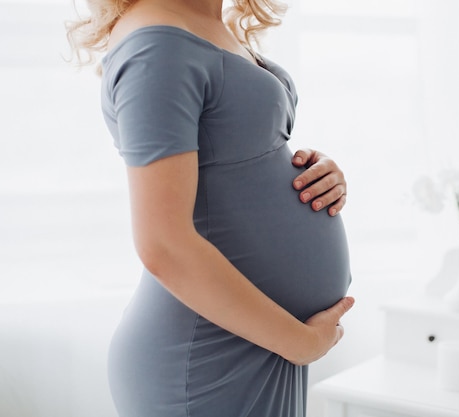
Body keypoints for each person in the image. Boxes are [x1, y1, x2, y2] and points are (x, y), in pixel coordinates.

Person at [65, 1, 354, 416]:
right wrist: (300, 343)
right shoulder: (156, 44)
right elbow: (164, 243)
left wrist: (317, 175)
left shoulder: (203, 20)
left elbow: (236, 163)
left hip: (259, 343)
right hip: (205, 359)